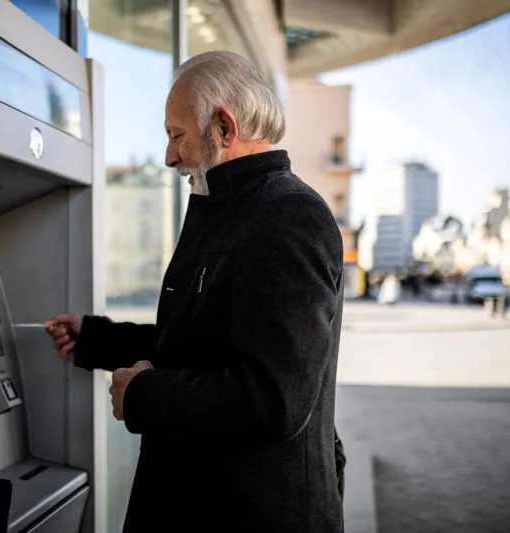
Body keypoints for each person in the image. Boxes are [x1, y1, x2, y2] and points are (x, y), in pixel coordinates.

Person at [47, 51, 345, 533]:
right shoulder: (234, 209)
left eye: (176, 135)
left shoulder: (288, 217)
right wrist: (96, 340)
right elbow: (198, 344)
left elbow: (271, 400)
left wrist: (143, 395)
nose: (168, 157)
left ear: (224, 128)